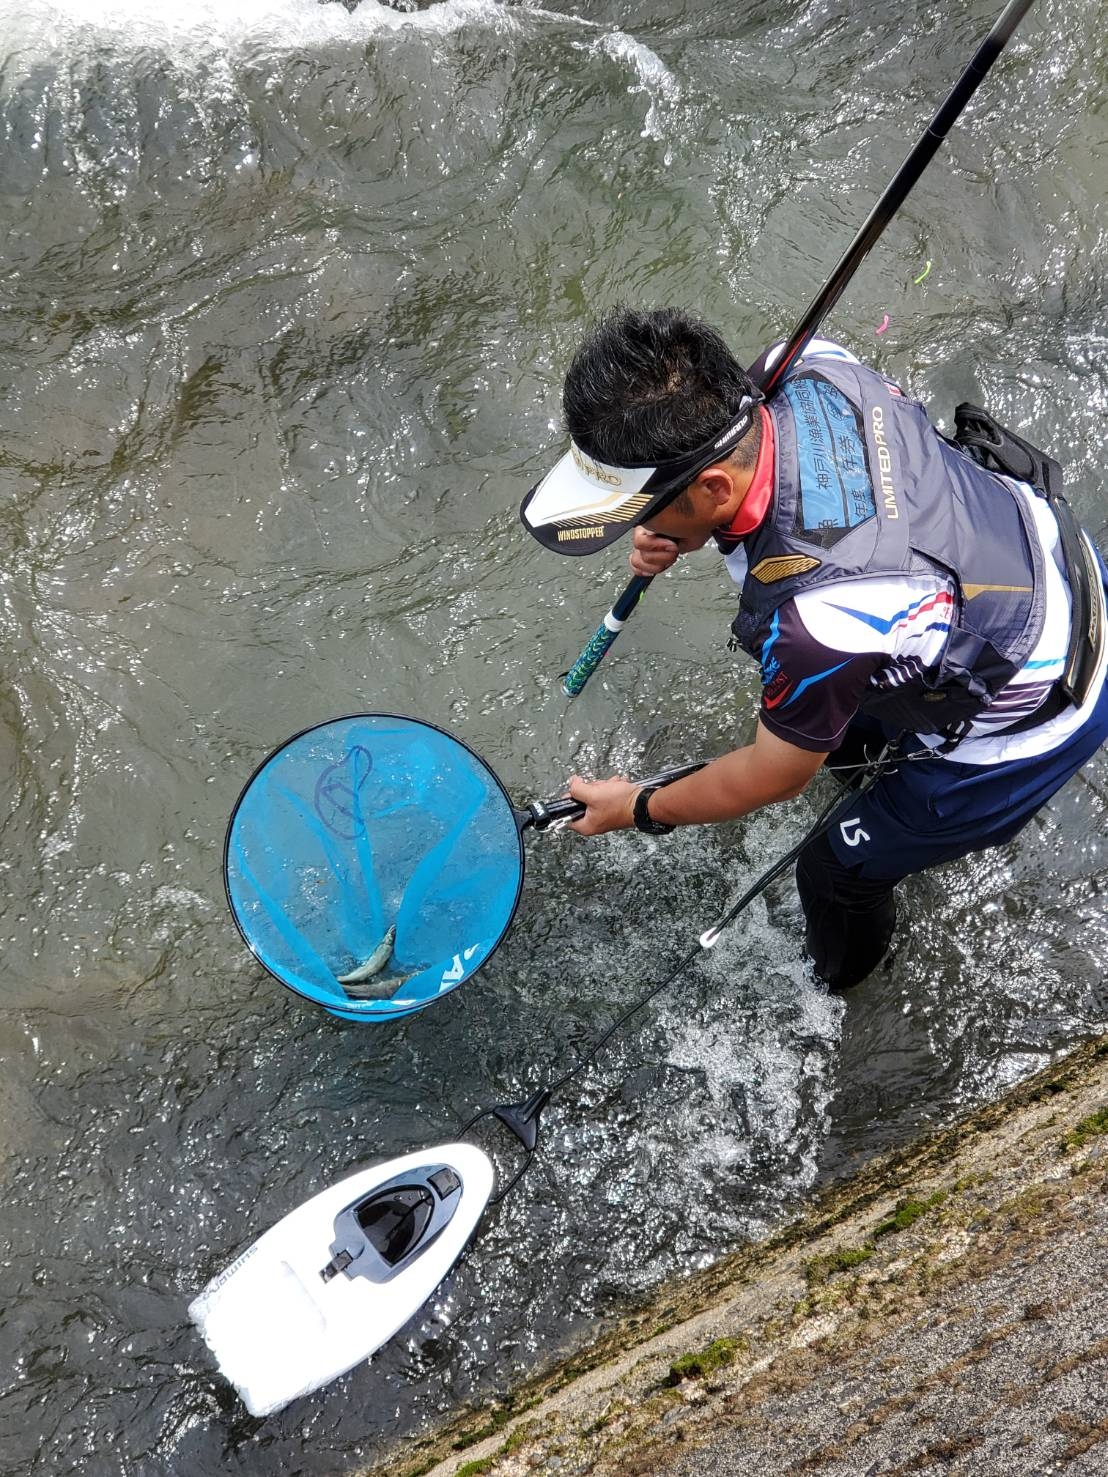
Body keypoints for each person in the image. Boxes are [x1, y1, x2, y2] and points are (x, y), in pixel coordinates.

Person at [519, 306, 1108, 991]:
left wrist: (640, 805)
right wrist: (682, 530)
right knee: (846, 745)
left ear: (710, 486)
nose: (634, 530)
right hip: (1043, 553)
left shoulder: (820, 620)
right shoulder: (803, 364)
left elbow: (775, 776)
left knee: (833, 872)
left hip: (1044, 707)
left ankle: (844, 992)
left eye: (642, 509)